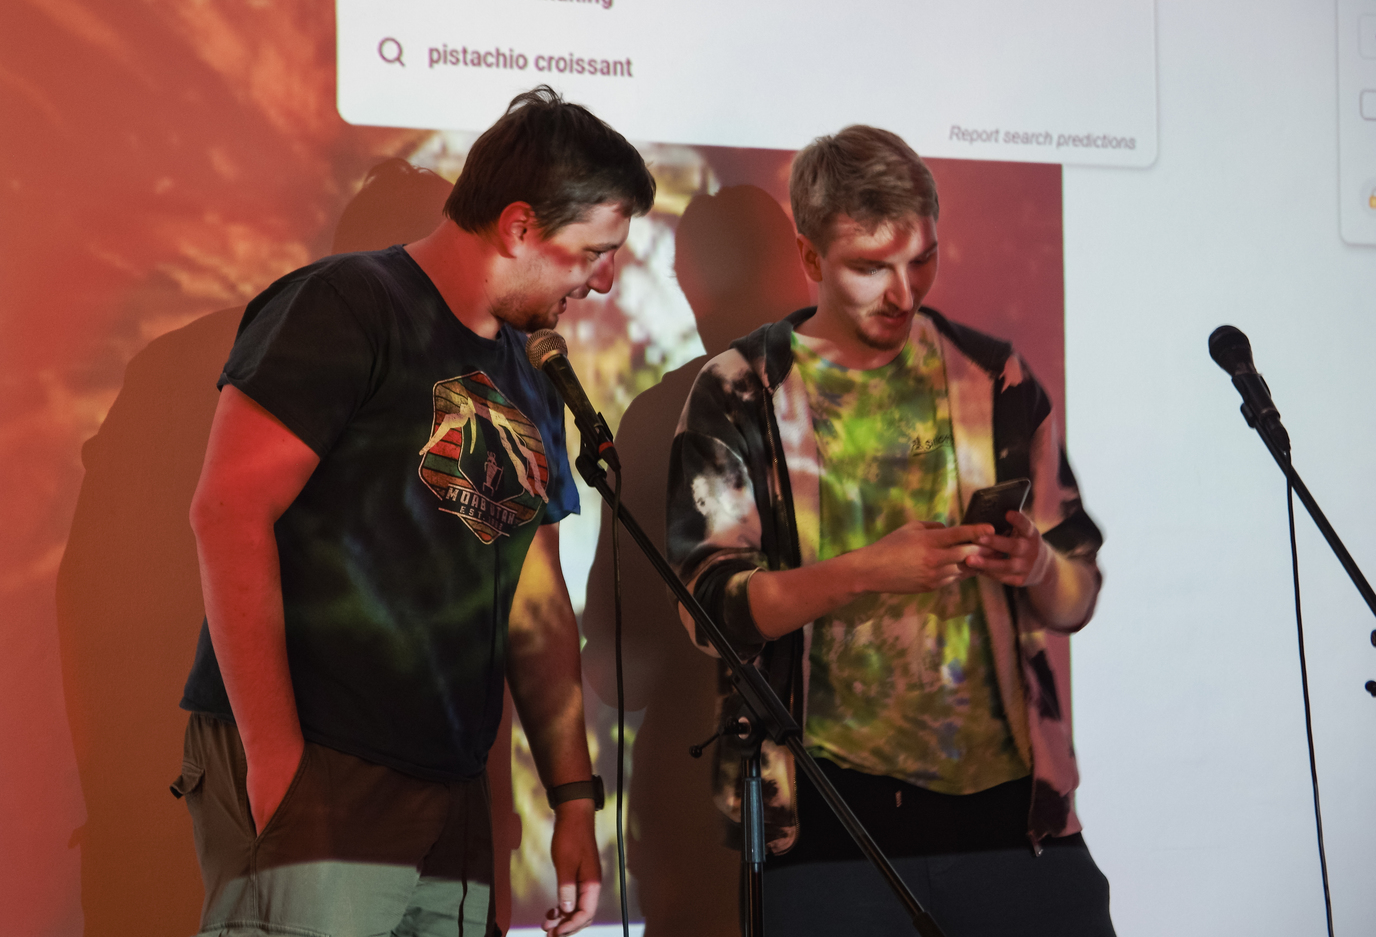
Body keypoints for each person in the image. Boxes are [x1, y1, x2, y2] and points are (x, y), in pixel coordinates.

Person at [175, 86, 655, 937]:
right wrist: (279, 761)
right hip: (325, 761)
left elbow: (535, 600)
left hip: (452, 787)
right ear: (520, 227)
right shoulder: (346, 304)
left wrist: (574, 797)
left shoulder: (531, 372)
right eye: (595, 252)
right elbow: (228, 511)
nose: (604, 279)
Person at [666, 126, 1113, 936]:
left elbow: (1078, 596)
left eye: (922, 260)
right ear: (810, 258)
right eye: (871, 267)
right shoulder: (740, 391)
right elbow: (709, 611)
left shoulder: (995, 377)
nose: (903, 293)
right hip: (831, 830)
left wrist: (1038, 565)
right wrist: (867, 570)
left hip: (1016, 824)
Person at [579, 185, 810, 936]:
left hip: (697, 792)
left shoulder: (659, 417)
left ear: (692, 287)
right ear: (799, 267)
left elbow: (617, 663)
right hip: (861, 792)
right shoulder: (877, 408)